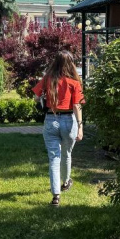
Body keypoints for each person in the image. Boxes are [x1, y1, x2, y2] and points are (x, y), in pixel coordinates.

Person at [32, 51, 85, 207]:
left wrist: (44, 98)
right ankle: (66, 182)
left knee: (54, 158)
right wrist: (80, 127)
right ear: (71, 64)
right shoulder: (74, 82)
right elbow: (77, 105)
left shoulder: (48, 79)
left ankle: (56, 196)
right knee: (66, 154)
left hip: (51, 119)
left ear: (55, 62)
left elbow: (36, 97)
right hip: (69, 120)